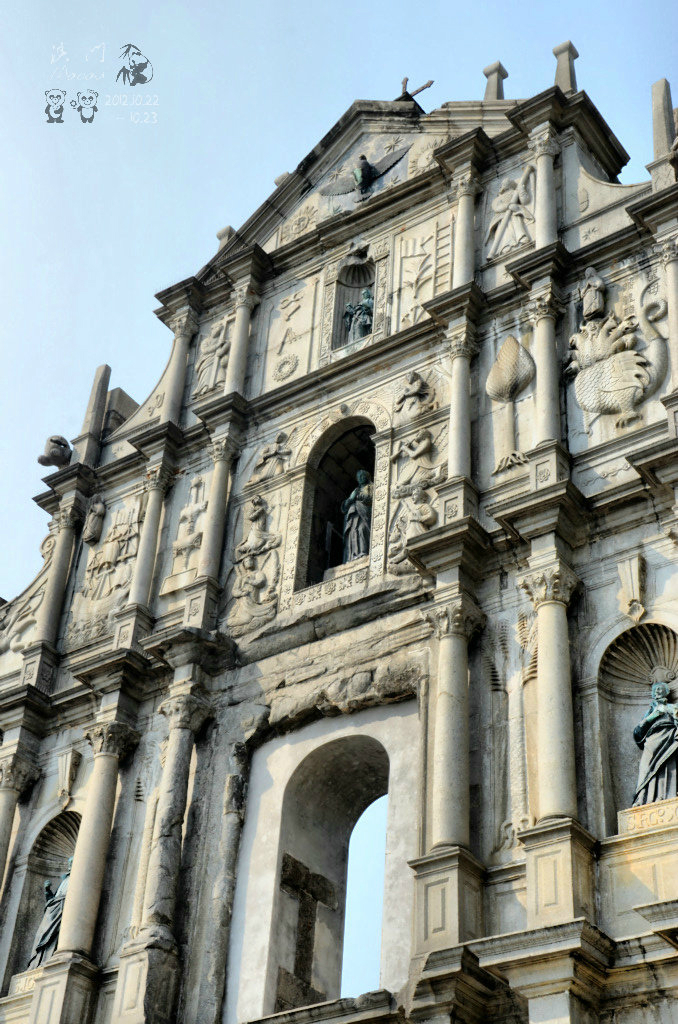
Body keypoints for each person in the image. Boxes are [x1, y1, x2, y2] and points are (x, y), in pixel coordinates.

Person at [632, 678, 678, 806]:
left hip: (669, 737)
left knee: (668, 765)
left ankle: (667, 795)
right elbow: (638, 731)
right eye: (655, 690)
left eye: (660, 689)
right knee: (645, 767)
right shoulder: (650, 711)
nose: (657, 691)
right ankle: (642, 798)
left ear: (666, 692)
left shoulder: (673, 707)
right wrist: (653, 716)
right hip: (651, 740)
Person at [27, 858, 72, 969]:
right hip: (53, 911)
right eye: (70, 863)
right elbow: (52, 900)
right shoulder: (65, 879)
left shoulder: (77, 879)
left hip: (62, 910)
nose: (70, 865)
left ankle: (47, 960)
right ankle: (38, 962)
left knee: (54, 936)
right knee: (41, 935)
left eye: (72, 863)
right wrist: (48, 891)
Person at [341, 469, 373, 562]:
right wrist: (351, 498)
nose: (360, 478)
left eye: (362, 476)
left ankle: (363, 552)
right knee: (353, 532)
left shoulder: (371, 487)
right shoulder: (355, 490)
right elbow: (345, 507)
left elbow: (371, 498)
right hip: (354, 515)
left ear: (367, 477)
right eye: (359, 477)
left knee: (362, 529)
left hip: (364, 514)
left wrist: (358, 496)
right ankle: (353, 555)